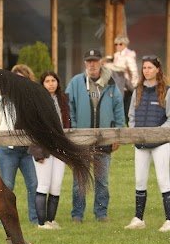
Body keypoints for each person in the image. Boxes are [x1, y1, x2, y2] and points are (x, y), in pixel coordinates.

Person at [66, 48, 125, 222]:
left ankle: (101, 214)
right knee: (79, 181)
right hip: (81, 141)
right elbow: (69, 109)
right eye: (89, 61)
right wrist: (75, 131)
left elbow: (119, 111)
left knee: (102, 180)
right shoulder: (76, 83)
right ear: (85, 63)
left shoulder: (111, 84)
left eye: (95, 60)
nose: (92, 64)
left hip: (104, 140)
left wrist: (116, 135)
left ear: (101, 62)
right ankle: (77, 214)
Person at [124, 55, 170, 232]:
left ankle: (169, 219)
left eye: (150, 67)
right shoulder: (138, 90)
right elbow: (132, 116)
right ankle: (138, 218)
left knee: (163, 180)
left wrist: (157, 133)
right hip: (141, 144)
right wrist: (136, 134)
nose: (147, 71)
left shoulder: (166, 90)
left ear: (158, 69)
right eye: (144, 68)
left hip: (161, 143)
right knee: (140, 180)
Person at [0, 64, 39, 225]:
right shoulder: (2, 100)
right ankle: (5, 220)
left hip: (27, 150)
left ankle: (35, 219)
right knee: (7, 185)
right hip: (8, 150)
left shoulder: (32, 99)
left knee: (33, 183)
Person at [32, 71, 71, 230]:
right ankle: (41, 223)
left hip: (60, 148)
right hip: (43, 148)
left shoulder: (63, 100)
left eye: (53, 80)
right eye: (47, 81)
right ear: (42, 84)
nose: (50, 83)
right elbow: (33, 128)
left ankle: (51, 220)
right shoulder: (36, 101)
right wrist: (37, 152)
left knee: (56, 185)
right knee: (44, 184)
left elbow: (68, 123)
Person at [110, 35, 139, 120]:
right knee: (118, 110)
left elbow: (134, 71)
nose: (118, 46)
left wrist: (133, 86)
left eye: (120, 44)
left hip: (127, 88)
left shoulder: (129, 55)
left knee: (127, 111)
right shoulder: (116, 55)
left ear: (125, 44)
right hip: (118, 86)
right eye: (116, 44)